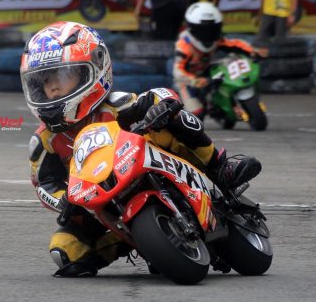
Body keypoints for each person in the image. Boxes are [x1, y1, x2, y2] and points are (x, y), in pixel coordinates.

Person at [21, 20, 262, 277]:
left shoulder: (116, 105)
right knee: (63, 249)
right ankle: (143, 243)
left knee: (173, 119)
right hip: (102, 203)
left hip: (144, 164)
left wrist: (162, 106)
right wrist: (63, 199)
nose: (54, 86)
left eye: (62, 76)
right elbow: (44, 183)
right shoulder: (44, 140)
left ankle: (219, 167)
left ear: (92, 70)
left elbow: (159, 95)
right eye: (46, 80)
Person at [172, 2, 260, 118]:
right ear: (192, 28)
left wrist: (252, 51)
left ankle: (224, 100)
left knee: (231, 59)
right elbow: (178, 71)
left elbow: (235, 44)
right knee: (197, 113)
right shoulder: (184, 45)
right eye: (203, 30)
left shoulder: (217, 40)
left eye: (212, 29)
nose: (208, 34)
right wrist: (194, 81)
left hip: (206, 70)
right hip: (187, 80)